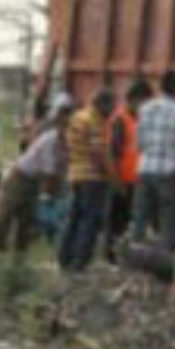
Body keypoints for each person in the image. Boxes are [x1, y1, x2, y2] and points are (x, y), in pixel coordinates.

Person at [0, 98, 69, 263]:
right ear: (59, 123)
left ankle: (18, 260)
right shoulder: (50, 140)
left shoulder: (65, 143)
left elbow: (59, 170)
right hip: (20, 177)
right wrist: (50, 193)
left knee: (26, 223)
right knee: (4, 216)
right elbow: (49, 172)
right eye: (66, 124)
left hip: (34, 181)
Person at [132, 70, 175, 252]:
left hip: (145, 168)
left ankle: (135, 249)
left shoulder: (145, 109)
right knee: (169, 215)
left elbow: (139, 142)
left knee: (141, 213)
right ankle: (164, 253)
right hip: (169, 171)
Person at [59, 89, 114, 272]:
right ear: (103, 104)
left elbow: (66, 144)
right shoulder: (95, 120)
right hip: (92, 177)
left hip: (75, 173)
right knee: (90, 219)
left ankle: (64, 257)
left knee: (74, 217)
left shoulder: (77, 117)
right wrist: (109, 176)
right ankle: (80, 261)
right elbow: (98, 153)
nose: (112, 111)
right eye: (111, 106)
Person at [105, 79, 149, 259]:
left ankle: (123, 256)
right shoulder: (120, 120)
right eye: (144, 101)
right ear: (134, 99)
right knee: (117, 220)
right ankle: (112, 256)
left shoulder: (138, 119)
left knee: (129, 222)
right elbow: (112, 153)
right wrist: (117, 181)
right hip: (121, 180)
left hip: (135, 180)